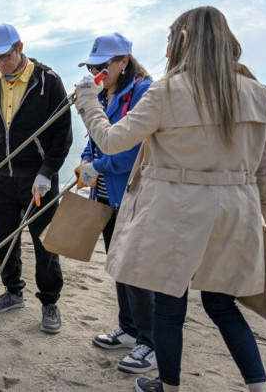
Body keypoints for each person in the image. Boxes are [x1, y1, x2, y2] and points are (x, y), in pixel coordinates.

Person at [74, 6, 266, 392]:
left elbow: (110, 140)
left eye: (170, 38)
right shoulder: (258, 92)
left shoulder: (168, 90)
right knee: (222, 306)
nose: (167, 46)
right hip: (235, 215)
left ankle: (170, 386)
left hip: (175, 213)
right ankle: (259, 387)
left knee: (169, 305)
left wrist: (89, 102)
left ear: (184, 40)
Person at [73, 33, 157, 374]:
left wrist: (99, 167)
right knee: (117, 264)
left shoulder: (142, 92)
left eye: (103, 64)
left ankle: (150, 343)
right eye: (92, 65)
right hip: (106, 194)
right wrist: (85, 163)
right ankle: (129, 328)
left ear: (124, 61)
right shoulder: (103, 94)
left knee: (136, 270)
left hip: (134, 194)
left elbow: (131, 151)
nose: (97, 71)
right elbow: (95, 141)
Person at [0, 23, 72, 334]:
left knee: (45, 243)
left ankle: (49, 302)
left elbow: (63, 135)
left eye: (4, 56)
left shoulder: (48, 81)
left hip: (38, 179)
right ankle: (13, 292)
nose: (0, 64)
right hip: (2, 177)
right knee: (3, 239)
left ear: (20, 47)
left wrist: (47, 172)